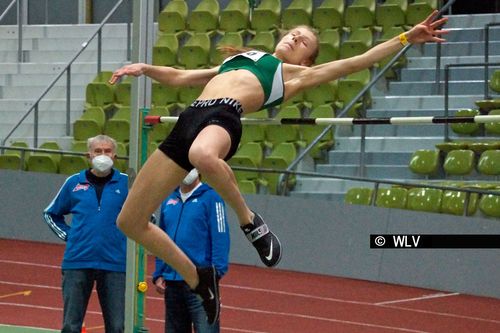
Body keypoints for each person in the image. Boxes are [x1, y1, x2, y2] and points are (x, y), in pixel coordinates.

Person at [109, 10, 448, 324]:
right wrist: (146, 69)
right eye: (294, 34)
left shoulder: (295, 76)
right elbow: (183, 76)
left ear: (307, 59)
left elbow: (355, 62)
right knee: (130, 221)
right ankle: (199, 279)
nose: (294, 39)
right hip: (189, 119)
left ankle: (251, 222)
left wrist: (404, 38)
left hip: (223, 117)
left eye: (303, 42)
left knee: (203, 156)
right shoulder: (240, 59)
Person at [43, 135, 128, 333]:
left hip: (116, 263)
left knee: (116, 326)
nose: (103, 155)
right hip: (77, 261)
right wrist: (69, 236)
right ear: (88, 155)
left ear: (115, 156)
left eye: (107, 151)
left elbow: (147, 217)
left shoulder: (126, 183)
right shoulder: (73, 182)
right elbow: (50, 214)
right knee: (71, 325)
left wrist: (129, 241)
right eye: (98, 151)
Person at [153, 168, 229, 332]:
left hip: (201, 280)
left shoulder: (212, 198)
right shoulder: (168, 198)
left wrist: (216, 273)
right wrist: (159, 272)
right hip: (172, 282)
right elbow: (160, 238)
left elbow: (220, 236)